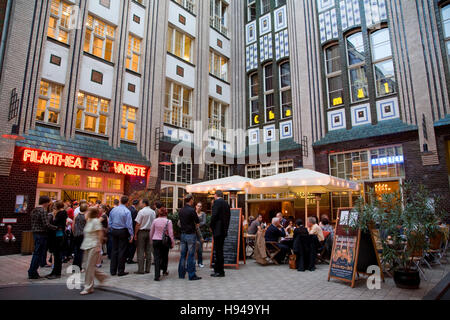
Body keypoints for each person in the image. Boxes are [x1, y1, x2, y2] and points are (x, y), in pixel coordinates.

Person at [28, 196, 57, 279]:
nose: (49, 204)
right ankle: (32, 272)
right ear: (45, 202)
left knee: (36, 253)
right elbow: (46, 224)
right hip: (41, 234)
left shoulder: (34, 210)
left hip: (35, 233)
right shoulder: (43, 211)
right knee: (38, 253)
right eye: (48, 202)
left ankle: (32, 271)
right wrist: (56, 228)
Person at [80, 207, 108, 295]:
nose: (86, 212)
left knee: (89, 267)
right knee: (86, 266)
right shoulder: (89, 221)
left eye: (88, 211)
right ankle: (102, 277)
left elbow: (100, 234)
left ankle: (88, 287)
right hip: (86, 245)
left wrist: (99, 246)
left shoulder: (96, 221)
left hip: (93, 245)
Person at [178, 194, 201, 281]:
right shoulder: (192, 210)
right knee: (191, 255)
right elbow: (197, 222)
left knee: (183, 255)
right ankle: (191, 275)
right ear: (191, 200)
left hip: (183, 234)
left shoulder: (181, 210)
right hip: (191, 234)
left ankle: (181, 274)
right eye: (193, 200)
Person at [108, 196, 133, 276]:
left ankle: (113, 270)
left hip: (114, 230)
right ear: (127, 202)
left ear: (120, 201)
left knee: (114, 250)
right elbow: (129, 224)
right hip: (122, 231)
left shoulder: (113, 210)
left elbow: (110, 221)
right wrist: (131, 234)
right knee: (122, 250)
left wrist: (111, 228)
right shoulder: (127, 211)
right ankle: (120, 270)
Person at [210, 190, 231, 277]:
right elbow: (229, 217)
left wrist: (211, 226)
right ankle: (220, 270)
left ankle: (218, 271)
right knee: (220, 250)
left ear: (216, 195)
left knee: (217, 251)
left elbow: (214, 216)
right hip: (223, 230)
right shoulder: (226, 204)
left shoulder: (217, 202)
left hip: (217, 230)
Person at [150, 207, 175, 281]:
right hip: (165, 241)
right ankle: (164, 271)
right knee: (165, 256)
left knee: (157, 257)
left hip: (156, 240)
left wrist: (151, 240)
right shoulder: (168, 221)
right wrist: (173, 242)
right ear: (166, 213)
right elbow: (170, 233)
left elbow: (151, 231)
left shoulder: (155, 221)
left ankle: (156, 275)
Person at [134, 198, 156, 274]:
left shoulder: (141, 212)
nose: (140, 204)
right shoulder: (153, 212)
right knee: (148, 250)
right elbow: (154, 223)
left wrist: (135, 233)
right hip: (150, 231)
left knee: (140, 250)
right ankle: (148, 269)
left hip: (142, 232)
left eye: (141, 202)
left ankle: (140, 269)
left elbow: (138, 224)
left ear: (144, 203)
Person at [46, 201, 67, 279]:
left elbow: (55, 223)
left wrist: (53, 218)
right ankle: (54, 272)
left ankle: (57, 273)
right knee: (56, 254)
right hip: (59, 235)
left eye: (54, 206)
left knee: (57, 255)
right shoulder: (62, 213)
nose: (53, 207)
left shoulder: (61, 213)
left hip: (59, 236)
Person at [73, 203, 88, 271]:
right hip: (82, 235)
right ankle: (79, 267)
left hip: (76, 235)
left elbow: (73, 225)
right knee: (80, 252)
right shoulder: (86, 216)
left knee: (76, 251)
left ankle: (74, 266)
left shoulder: (76, 215)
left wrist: (74, 233)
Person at [126, 199, 139, 264]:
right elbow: (134, 222)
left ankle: (127, 257)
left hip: (126, 229)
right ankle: (130, 258)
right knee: (133, 245)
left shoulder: (128, 209)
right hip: (132, 229)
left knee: (128, 244)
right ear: (137, 204)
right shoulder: (134, 211)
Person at [195, 202, 206, 268]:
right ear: (196, 206)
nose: (199, 207)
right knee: (193, 248)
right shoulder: (193, 213)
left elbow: (204, 222)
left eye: (200, 206)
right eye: (198, 206)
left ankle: (200, 262)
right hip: (194, 232)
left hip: (201, 233)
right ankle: (193, 263)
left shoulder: (203, 214)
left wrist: (198, 225)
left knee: (200, 248)